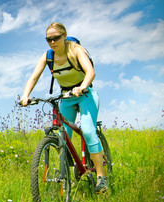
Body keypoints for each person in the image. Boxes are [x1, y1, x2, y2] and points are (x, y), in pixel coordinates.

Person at [20, 22, 107, 193]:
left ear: (64, 36)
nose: (52, 42)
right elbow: (34, 77)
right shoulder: (48, 56)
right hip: (66, 96)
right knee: (63, 137)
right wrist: (25, 95)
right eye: (49, 39)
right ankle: (68, 177)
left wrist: (82, 86)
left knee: (88, 132)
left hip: (85, 93)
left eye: (56, 38)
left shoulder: (75, 49)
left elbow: (90, 72)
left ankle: (100, 177)